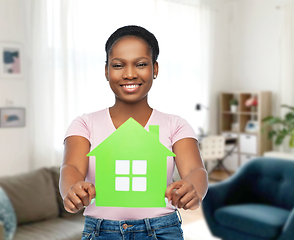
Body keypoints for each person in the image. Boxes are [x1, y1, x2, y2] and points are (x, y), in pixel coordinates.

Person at [59, 25, 208, 240]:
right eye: (118, 65)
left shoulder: (176, 125)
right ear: (106, 70)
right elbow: (71, 166)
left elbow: (195, 169)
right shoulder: (85, 124)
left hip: (162, 230)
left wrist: (194, 189)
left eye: (140, 64)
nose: (129, 74)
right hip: (101, 231)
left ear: (154, 69)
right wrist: (71, 191)